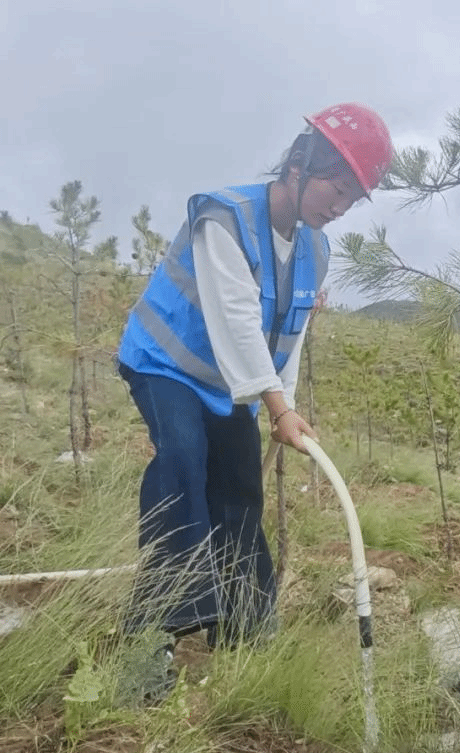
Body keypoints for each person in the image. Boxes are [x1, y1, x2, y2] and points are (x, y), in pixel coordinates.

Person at [115, 103, 392, 700]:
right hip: (164, 365)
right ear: (299, 162)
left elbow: (285, 335)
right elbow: (237, 318)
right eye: (335, 189)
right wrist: (276, 407)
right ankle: (149, 646)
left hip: (230, 386)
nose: (338, 208)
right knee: (181, 464)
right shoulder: (225, 217)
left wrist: (283, 407)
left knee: (240, 492)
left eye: (351, 200)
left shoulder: (315, 251)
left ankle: (245, 634)